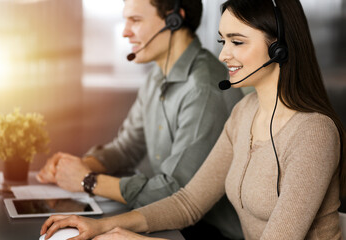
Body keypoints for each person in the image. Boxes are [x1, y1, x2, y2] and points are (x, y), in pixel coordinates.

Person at [39, 0, 346, 239]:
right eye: (223, 40)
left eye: (237, 42)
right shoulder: (245, 112)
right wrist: (103, 226)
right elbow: (188, 201)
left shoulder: (314, 133)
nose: (224, 55)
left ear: (279, 49)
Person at [37, 0, 244, 239]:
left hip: (209, 231)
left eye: (135, 20)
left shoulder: (203, 88)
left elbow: (175, 192)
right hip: (172, 220)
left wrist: (88, 181)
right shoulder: (157, 76)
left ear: (174, 20)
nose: (125, 31)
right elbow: (127, 147)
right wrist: (75, 169)